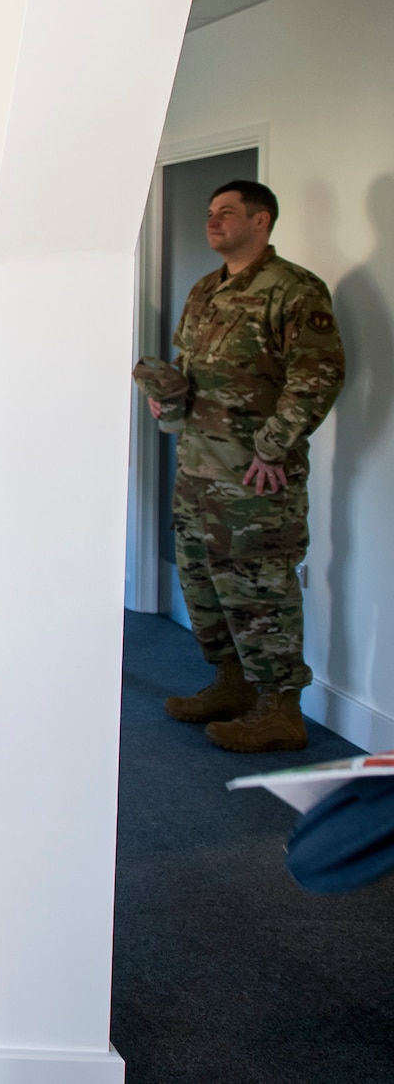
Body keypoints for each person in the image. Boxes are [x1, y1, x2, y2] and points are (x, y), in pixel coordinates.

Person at [143, 180, 345, 753]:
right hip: (198, 469)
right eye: (210, 212)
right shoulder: (206, 289)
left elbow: (318, 377)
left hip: (256, 478)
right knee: (204, 585)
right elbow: (192, 364)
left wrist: (271, 448)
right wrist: (168, 396)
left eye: (226, 213)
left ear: (261, 221)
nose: (213, 221)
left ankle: (280, 710)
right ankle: (232, 684)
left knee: (262, 590)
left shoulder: (296, 291)